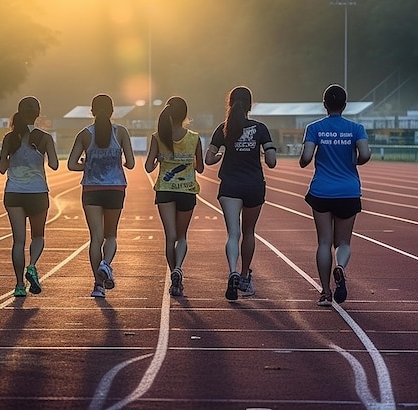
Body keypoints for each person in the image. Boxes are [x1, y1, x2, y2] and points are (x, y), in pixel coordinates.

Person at [299, 84, 371, 307]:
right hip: (348, 190)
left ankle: (325, 292)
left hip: (322, 190)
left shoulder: (315, 128)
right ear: (345, 105)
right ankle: (339, 266)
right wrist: (354, 162)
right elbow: (366, 154)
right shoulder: (356, 128)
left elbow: (306, 158)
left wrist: (304, 160)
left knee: (323, 242)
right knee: (343, 242)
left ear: (324, 105)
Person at [205, 86, 277, 301]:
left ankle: (232, 272)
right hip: (253, 184)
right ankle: (245, 276)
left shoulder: (223, 128)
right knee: (249, 232)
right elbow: (272, 162)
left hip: (230, 185)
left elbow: (208, 159)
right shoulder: (261, 128)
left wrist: (219, 157)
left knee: (233, 234)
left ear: (230, 104)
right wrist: (264, 153)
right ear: (250, 105)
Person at [67, 94, 135, 298]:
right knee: (111, 235)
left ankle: (98, 286)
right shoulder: (121, 132)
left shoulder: (85, 134)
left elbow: (71, 164)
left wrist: (88, 165)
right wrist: (117, 163)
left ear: (92, 111)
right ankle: (106, 264)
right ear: (113, 111)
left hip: (91, 189)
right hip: (115, 189)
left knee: (95, 238)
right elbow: (130, 164)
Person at [0, 96, 59, 297]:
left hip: (14, 193)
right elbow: (54, 165)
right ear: (38, 114)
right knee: (38, 236)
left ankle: (18, 286)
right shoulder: (45, 138)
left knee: (18, 241)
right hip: (37, 192)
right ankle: (32, 266)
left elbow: (1, 168)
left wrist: (12, 159)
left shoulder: (10, 138)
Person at [145, 96, 204, 297]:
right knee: (182, 236)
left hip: (165, 190)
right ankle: (179, 267)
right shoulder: (194, 137)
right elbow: (201, 167)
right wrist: (188, 163)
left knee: (170, 237)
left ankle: (174, 276)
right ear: (185, 115)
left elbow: (148, 166)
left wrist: (161, 160)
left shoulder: (158, 137)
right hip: (187, 190)